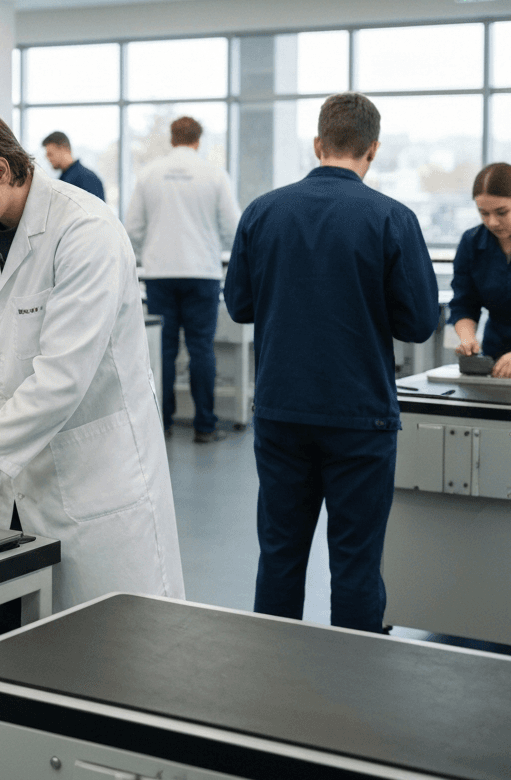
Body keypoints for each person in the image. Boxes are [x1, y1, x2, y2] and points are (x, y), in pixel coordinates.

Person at [0, 98, 184, 632]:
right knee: (14, 640)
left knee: (111, 648)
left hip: (96, 478)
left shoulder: (86, 231)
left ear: (0, 169)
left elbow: (60, 381)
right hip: (19, 483)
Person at [223, 92, 438, 634]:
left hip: (281, 411)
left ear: (318, 144)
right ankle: (354, 675)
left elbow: (240, 306)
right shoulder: (393, 218)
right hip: (360, 417)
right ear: (373, 150)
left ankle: (274, 670)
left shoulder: (262, 212)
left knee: (279, 555)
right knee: (356, 564)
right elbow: (417, 323)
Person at [125, 116, 240, 442]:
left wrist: (147, 253)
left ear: (172, 138)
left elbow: (132, 229)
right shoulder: (214, 175)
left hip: (159, 274)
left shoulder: (149, 175)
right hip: (202, 273)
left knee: (162, 350)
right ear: (198, 140)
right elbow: (233, 228)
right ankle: (205, 426)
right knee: (201, 348)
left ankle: (161, 423)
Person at [450, 163, 511, 375]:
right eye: (483, 213)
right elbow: (464, 303)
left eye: (502, 212)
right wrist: (468, 339)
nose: (492, 222)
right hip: (496, 356)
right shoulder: (472, 242)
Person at [41, 130, 105, 200]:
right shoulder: (63, 180)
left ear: (64, 148)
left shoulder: (89, 179)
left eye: (50, 154)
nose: (47, 158)